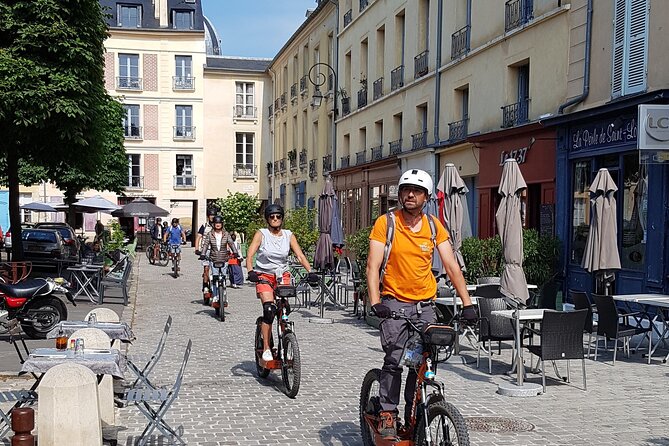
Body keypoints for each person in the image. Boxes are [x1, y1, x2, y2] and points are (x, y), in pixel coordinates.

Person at [366, 169, 477, 440]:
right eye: (406, 190)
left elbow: (451, 265)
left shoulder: (433, 226)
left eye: (416, 191)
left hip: (424, 306)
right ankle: (388, 411)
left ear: (426, 197)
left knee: (423, 363)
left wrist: (468, 303)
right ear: (401, 194)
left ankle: (414, 412)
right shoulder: (386, 223)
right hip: (393, 304)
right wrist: (376, 301)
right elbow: (373, 265)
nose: (410, 195)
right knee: (394, 360)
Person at [245, 204, 319, 362]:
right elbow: (250, 254)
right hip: (263, 275)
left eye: (278, 216)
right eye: (272, 217)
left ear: (282, 218)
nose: (275, 219)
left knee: (284, 307)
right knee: (269, 309)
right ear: (267, 219)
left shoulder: (288, 235)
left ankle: (286, 338)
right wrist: (250, 271)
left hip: (282, 275)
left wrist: (310, 271)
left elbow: (299, 255)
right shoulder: (261, 234)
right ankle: (266, 347)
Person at [199, 215, 238, 305]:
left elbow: (231, 244)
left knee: (223, 278)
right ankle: (215, 297)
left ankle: (224, 296)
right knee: (215, 278)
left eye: (219, 223)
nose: (218, 225)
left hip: (224, 259)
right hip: (213, 259)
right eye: (216, 223)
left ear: (222, 224)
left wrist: (235, 253)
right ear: (213, 224)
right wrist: (203, 254)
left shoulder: (226, 234)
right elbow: (205, 245)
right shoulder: (210, 234)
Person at [195, 207, 217, 296]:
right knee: (206, 269)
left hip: (216, 250)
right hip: (206, 250)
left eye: (214, 215)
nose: (212, 217)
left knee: (217, 270)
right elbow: (198, 237)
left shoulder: (219, 225)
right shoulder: (204, 226)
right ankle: (205, 286)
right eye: (211, 215)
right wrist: (197, 249)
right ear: (208, 216)